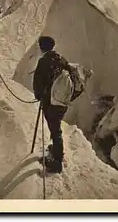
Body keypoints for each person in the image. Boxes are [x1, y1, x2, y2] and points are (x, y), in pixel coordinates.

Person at [33, 36, 71, 173]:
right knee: (55, 126)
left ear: (42, 47)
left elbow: (38, 82)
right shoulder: (61, 59)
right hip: (62, 101)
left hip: (51, 102)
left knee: (55, 129)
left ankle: (57, 162)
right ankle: (55, 150)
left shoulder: (44, 61)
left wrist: (39, 96)